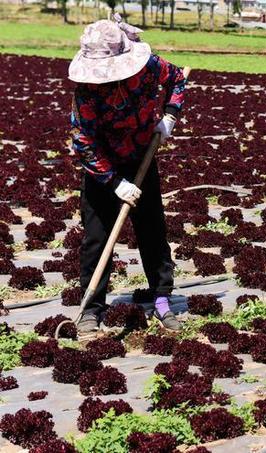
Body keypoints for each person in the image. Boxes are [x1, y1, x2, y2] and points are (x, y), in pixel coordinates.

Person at [68, 16, 186, 332]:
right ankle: (91, 309)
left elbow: (177, 79)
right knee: (96, 237)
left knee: (152, 229)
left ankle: (161, 299)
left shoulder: (147, 68)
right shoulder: (86, 92)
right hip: (102, 167)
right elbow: (84, 142)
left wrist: (170, 118)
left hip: (141, 157)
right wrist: (115, 183)